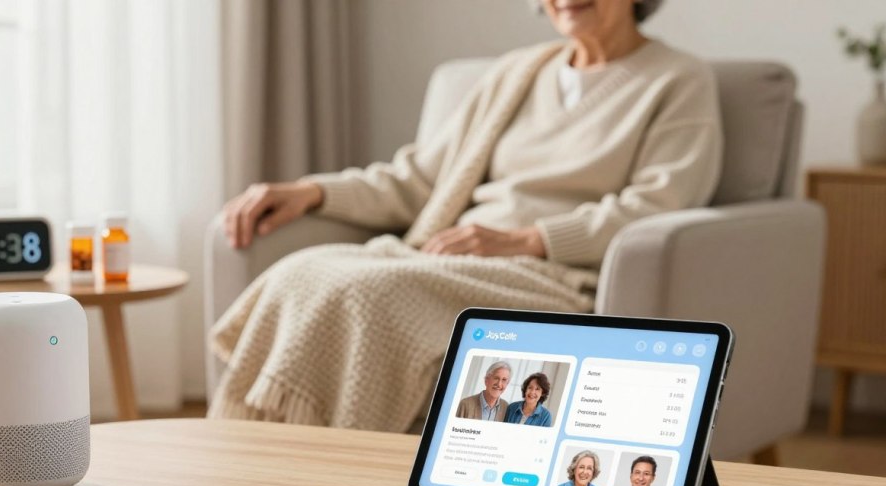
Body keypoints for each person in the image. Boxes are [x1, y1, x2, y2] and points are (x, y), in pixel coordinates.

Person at [209, 0, 722, 432]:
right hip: (457, 257)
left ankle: (341, 463)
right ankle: (265, 460)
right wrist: (313, 192)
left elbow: (658, 206)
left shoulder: (678, 79)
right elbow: (422, 180)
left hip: (555, 272)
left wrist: (524, 240)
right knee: (302, 271)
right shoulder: (517, 72)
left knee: (367, 293)